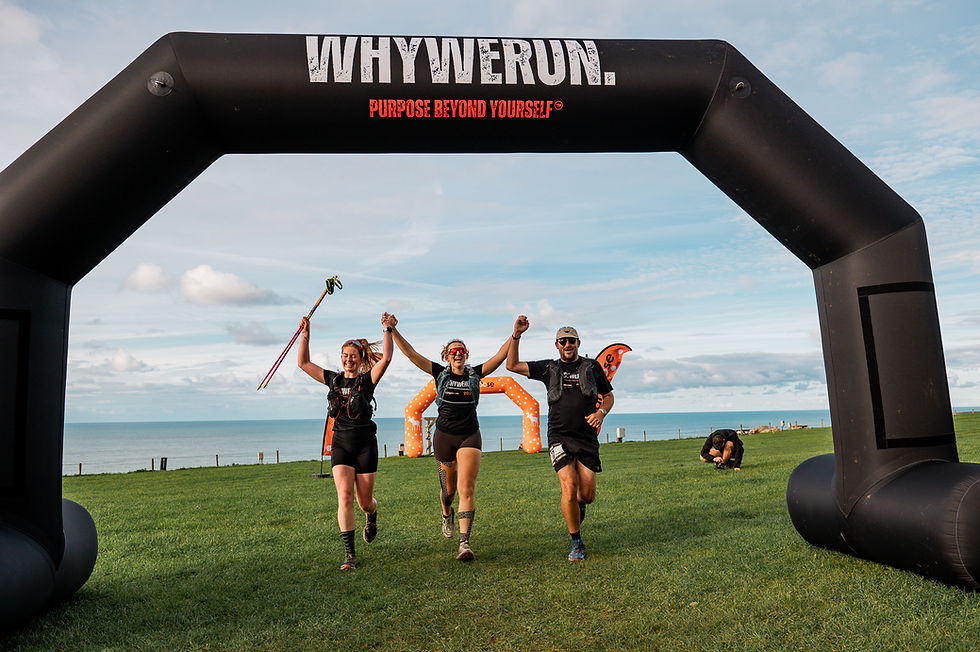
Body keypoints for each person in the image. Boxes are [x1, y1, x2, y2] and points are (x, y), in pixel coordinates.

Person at [387, 313, 510, 561]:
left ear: (466, 354)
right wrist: (392, 330)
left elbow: (499, 356)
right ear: (447, 356)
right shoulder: (439, 374)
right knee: (449, 491)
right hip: (444, 437)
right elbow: (411, 354)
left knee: (467, 488)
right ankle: (446, 513)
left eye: (461, 350)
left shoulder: (475, 374)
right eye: (453, 351)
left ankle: (464, 544)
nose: (457, 354)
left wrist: (515, 334)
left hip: (469, 436)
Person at [507, 315, 614, 562]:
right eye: (563, 341)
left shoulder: (592, 367)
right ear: (557, 345)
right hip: (559, 437)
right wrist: (517, 335)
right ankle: (577, 543)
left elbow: (608, 396)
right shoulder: (549, 368)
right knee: (568, 487)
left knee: (586, 495)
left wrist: (601, 413)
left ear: (578, 343)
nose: (568, 345)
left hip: (586, 437)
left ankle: (578, 507)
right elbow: (512, 365)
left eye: (572, 341)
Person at [297, 313, 394, 570]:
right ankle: (350, 554)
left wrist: (387, 330)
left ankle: (371, 515)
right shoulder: (333, 379)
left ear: (361, 359)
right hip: (340, 443)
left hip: (365, 445)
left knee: (364, 501)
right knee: (344, 496)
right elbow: (304, 363)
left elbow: (386, 358)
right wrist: (306, 335)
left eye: (353, 355)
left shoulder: (367, 380)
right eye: (345, 355)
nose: (348, 359)